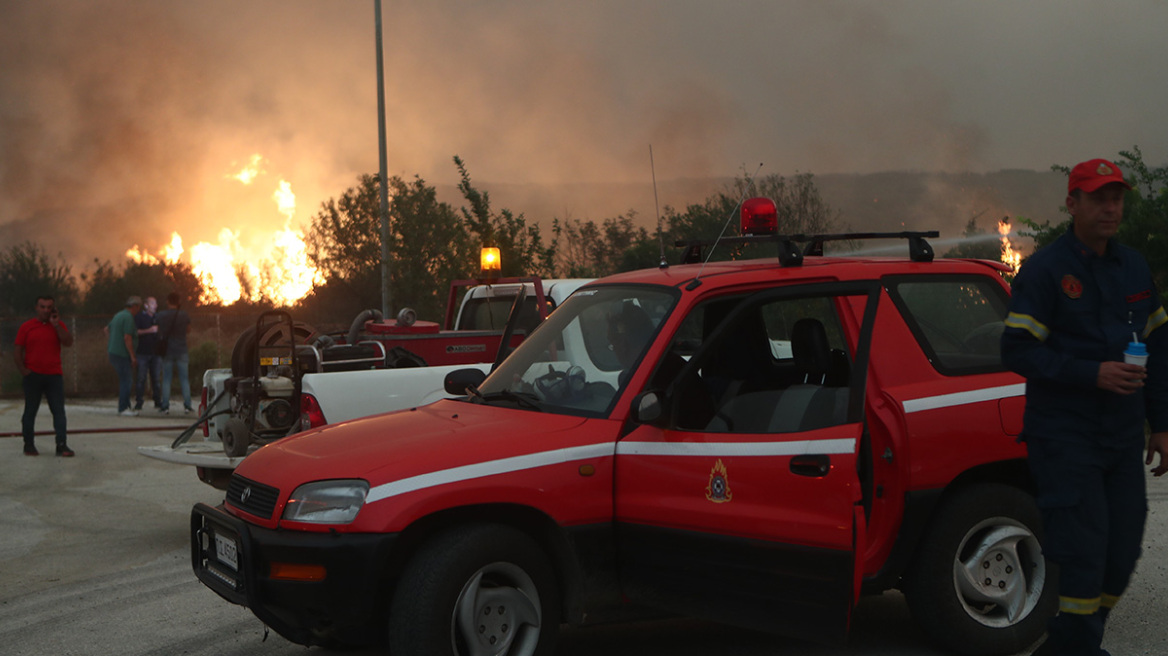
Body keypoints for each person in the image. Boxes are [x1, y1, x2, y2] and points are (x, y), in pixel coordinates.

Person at [1001, 158, 1168, 656]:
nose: (1110, 208)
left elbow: (1158, 346)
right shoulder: (1045, 272)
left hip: (1120, 439)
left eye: (1116, 198)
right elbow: (1017, 351)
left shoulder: (1134, 266)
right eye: (1097, 198)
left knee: (1122, 554)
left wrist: (1161, 424)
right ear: (1072, 204)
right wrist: (1090, 372)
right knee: (1084, 556)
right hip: (1066, 438)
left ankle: (1070, 648)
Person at [14, 296, 75, 456]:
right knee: (30, 411)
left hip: (54, 376)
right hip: (33, 375)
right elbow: (18, 349)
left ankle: (61, 445)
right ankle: (29, 444)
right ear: (36, 307)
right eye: (43, 307)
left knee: (58, 411)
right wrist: (22, 369)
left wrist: (56, 325)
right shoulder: (27, 327)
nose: (46, 310)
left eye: (49, 307)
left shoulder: (58, 325)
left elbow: (68, 342)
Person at [156, 292, 193, 414]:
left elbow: (158, 329)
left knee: (166, 379)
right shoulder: (183, 315)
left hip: (167, 350)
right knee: (184, 379)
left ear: (168, 301)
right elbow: (188, 330)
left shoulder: (161, 315)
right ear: (179, 302)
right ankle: (187, 405)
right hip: (182, 349)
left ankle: (165, 406)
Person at [107, 296, 142, 416]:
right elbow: (127, 337)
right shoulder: (128, 318)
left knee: (125, 379)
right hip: (122, 354)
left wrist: (113, 341)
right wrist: (132, 356)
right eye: (138, 307)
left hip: (113, 352)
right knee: (126, 380)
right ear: (134, 306)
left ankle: (126, 405)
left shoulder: (118, 315)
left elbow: (106, 329)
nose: (139, 310)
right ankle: (123, 408)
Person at [134, 296, 161, 411]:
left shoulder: (158, 317)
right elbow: (135, 332)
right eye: (152, 303)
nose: (155, 306)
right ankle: (139, 402)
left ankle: (158, 401)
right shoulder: (139, 317)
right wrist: (149, 330)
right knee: (141, 378)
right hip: (142, 353)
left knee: (156, 378)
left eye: (155, 303)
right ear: (146, 305)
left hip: (156, 353)